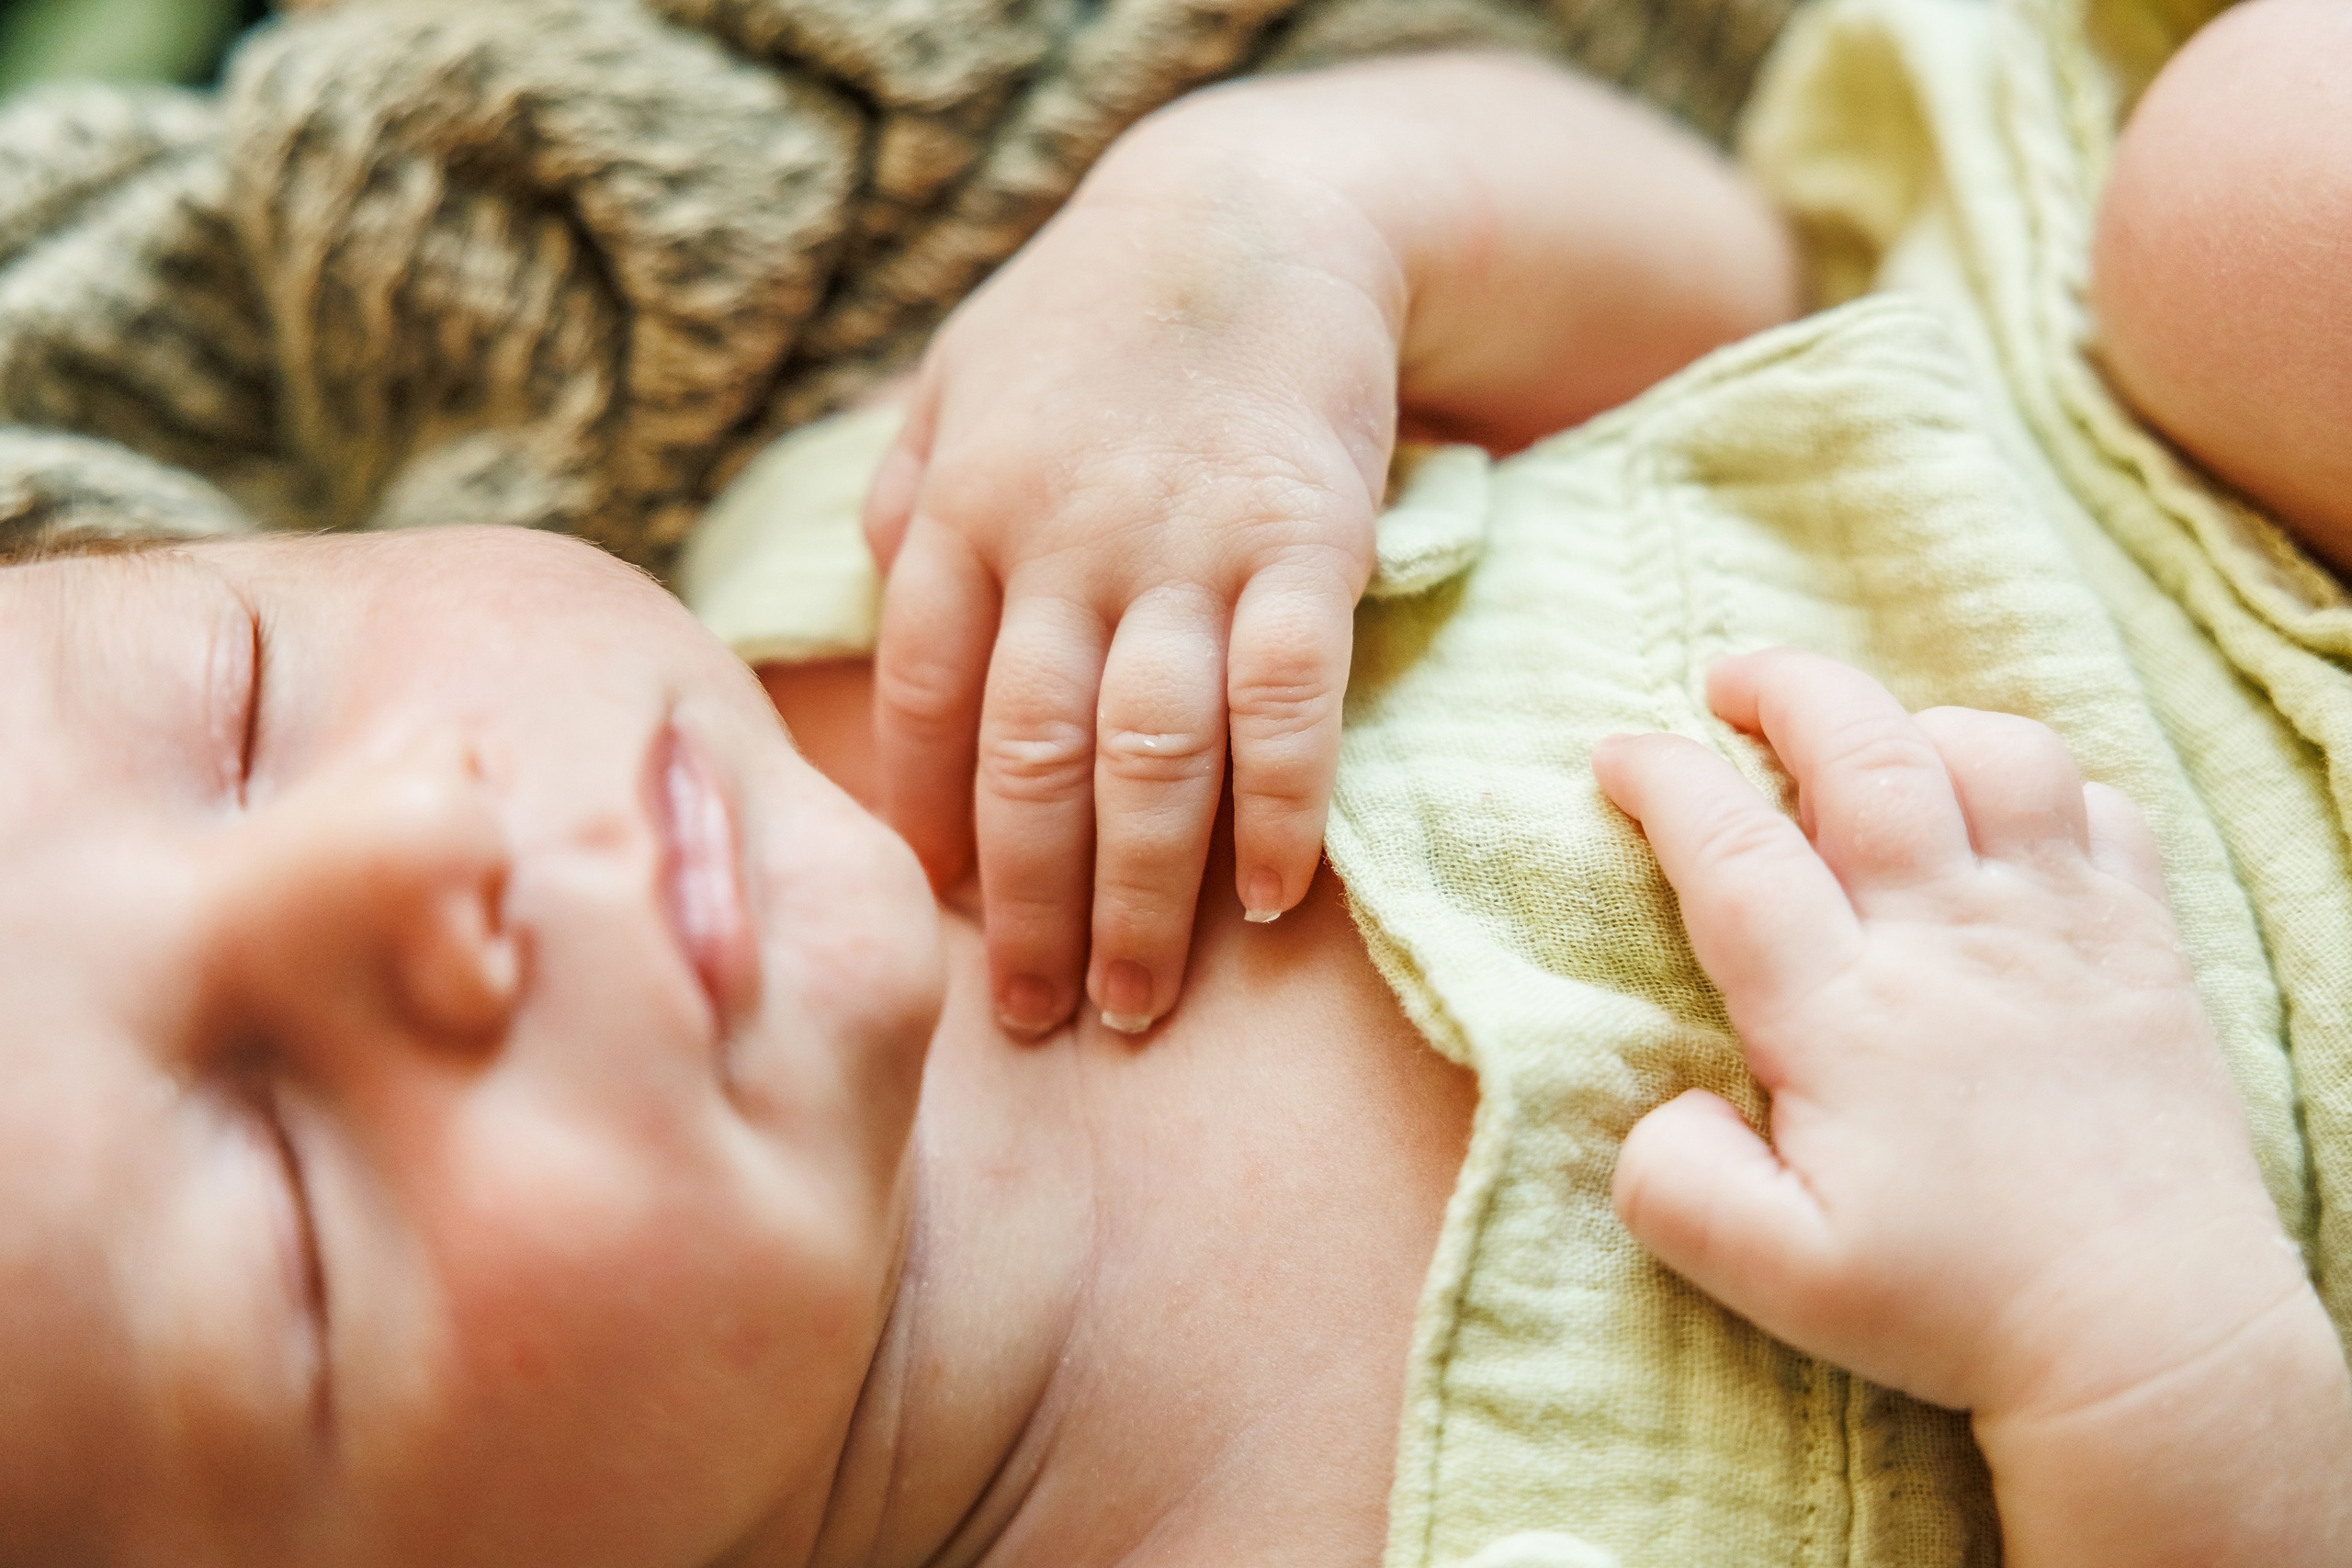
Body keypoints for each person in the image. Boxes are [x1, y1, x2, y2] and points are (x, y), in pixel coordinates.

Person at [1, 8, 2347, 1568]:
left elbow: (1745, 287)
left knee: (2252, 193)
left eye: (238, 703)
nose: (418, 852)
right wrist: (2140, 1340)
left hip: (2194, 483)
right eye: (285, 1180)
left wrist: (1270, 234)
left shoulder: (928, 560)